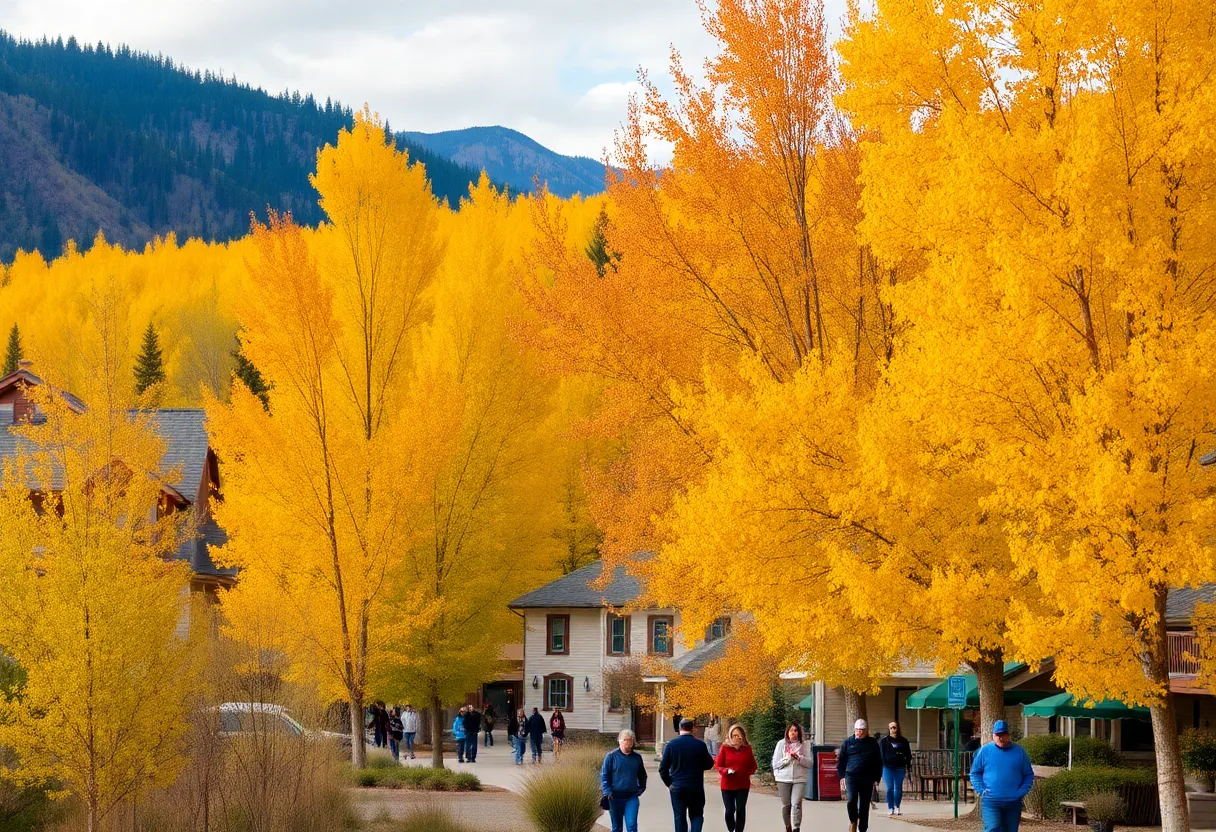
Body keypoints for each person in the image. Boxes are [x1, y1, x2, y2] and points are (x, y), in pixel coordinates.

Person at [969, 720, 1034, 832]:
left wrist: (1021, 791)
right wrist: (981, 790)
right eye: (998, 735)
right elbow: (975, 773)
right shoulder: (985, 751)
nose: (1001, 738)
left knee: (1011, 829)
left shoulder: (1019, 752)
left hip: (1013, 801)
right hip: (991, 801)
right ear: (993, 735)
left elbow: (1028, 774)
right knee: (992, 828)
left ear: (1008, 735)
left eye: (1003, 734)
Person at [659, 718, 716, 832]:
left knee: (679, 816)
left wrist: (669, 784)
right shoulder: (700, 745)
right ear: (693, 729)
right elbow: (709, 764)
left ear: (680, 728)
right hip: (695, 786)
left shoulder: (671, 745)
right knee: (696, 815)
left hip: (677, 786)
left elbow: (663, 769)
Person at [838, 718, 883, 832]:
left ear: (866, 730)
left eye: (863, 730)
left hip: (867, 777)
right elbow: (842, 760)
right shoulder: (848, 743)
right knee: (851, 799)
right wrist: (842, 776)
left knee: (864, 804)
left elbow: (878, 762)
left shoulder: (872, 743)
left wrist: (877, 778)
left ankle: (863, 828)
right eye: (858, 730)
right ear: (854, 730)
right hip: (851, 776)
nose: (860, 732)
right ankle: (853, 821)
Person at [602, 728, 648, 832]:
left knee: (631, 826)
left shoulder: (637, 758)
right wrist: (607, 791)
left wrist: (641, 788)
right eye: (625, 740)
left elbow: (642, 775)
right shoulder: (611, 757)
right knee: (617, 827)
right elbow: (605, 775)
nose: (628, 742)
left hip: (631, 797)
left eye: (631, 740)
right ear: (619, 741)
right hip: (615, 797)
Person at [714, 722, 757, 832]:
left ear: (743, 736)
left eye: (739, 735)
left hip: (742, 784)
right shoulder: (725, 748)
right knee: (729, 810)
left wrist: (748, 772)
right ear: (729, 736)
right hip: (727, 784)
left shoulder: (747, 748)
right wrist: (726, 770)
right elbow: (718, 765)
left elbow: (753, 765)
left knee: (741, 809)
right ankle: (731, 828)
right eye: (734, 735)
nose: (737, 738)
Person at [773, 723, 812, 832]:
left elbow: (810, 764)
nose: (793, 733)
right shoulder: (781, 744)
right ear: (787, 732)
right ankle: (788, 827)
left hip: (799, 778)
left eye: (795, 730)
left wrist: (799, 758)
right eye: (791, 730)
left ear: (799, 732)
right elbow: (775, 764)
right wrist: (787, 759)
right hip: (783, 778)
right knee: (787, 805)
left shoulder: (804, 745)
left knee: (796, 803)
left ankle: (796, 827)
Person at [880, 720, 912, 816]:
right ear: (888, 729)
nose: (893, 729)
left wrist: (908, 765)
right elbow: (881, 754)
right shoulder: (884, 741)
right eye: (891, 728)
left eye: (895, 727)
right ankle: (890, 807)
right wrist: (882, 764)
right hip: (887, 767)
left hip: (899, 767)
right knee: (889, 788)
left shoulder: (903, 741)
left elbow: (908, 754)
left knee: (898, 787)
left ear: (897, 728)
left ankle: (897, 806)